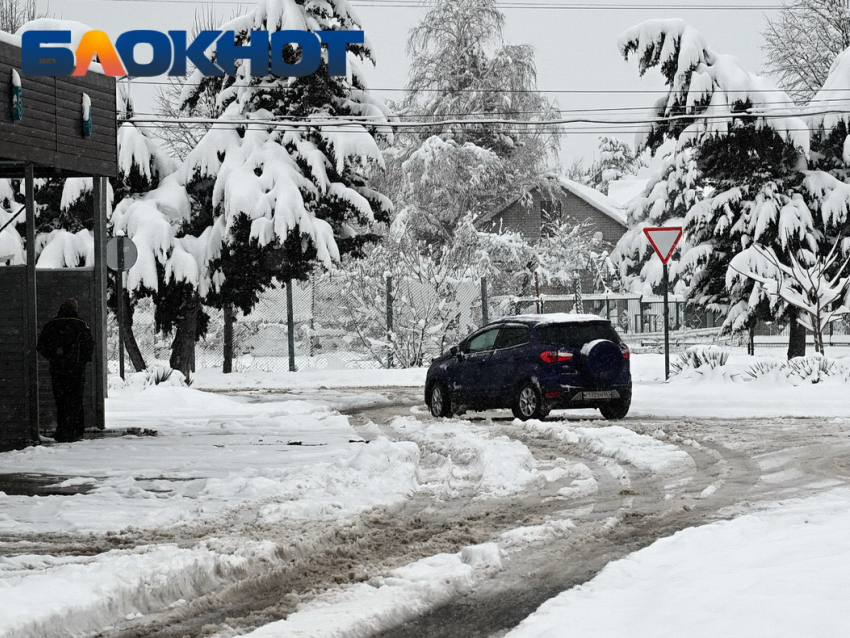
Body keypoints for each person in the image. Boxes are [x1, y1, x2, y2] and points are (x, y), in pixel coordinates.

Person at [36, 299, 95, 443]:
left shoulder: (51, 325)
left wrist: (54, 355)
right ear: (75, 309)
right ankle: (75, 431)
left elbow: (41, 346)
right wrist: (81, 362)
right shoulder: (81, 324)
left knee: (61, 400)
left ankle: (62, 430)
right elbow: (89, 345)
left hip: (57, 369)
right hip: (75, 370)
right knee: (75, 399)